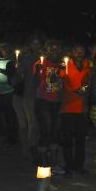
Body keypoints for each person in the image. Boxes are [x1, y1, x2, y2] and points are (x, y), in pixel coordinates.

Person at [33, 40, 65, 175]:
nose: (55, 51)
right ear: (46, 51)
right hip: (43, 101)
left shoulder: (63, 65)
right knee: (45, 130)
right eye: (52, 49)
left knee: (55, 132)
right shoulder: (40, 63)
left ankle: (54, 163)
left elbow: (65, 82)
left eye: (57, 49)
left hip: (57, 102)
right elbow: (34, 82)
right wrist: (38, 73)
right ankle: (43, 164)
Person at [60, 44, 91, 176]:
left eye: (82, 51)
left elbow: (88, 83)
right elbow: (60, 82)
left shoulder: (87, 66)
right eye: (76, 51)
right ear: (72, 52)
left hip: (81, 108)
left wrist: (85, 90)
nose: (79, 53)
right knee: (67, 140)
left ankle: (79, 166)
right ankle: (69, 166)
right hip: (67, 108)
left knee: (80, 140)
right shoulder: (65, 65)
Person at [12, 37, 42, 163]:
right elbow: (16, 80)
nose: (35, 46)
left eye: (38, 43)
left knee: (33, 124)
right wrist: (17, 71)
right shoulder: (25, 59)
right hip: (24, 96)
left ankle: (31, 149)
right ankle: (27, 151)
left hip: (36, 96)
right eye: (33, 43)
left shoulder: (43, 60)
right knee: (26, 125)